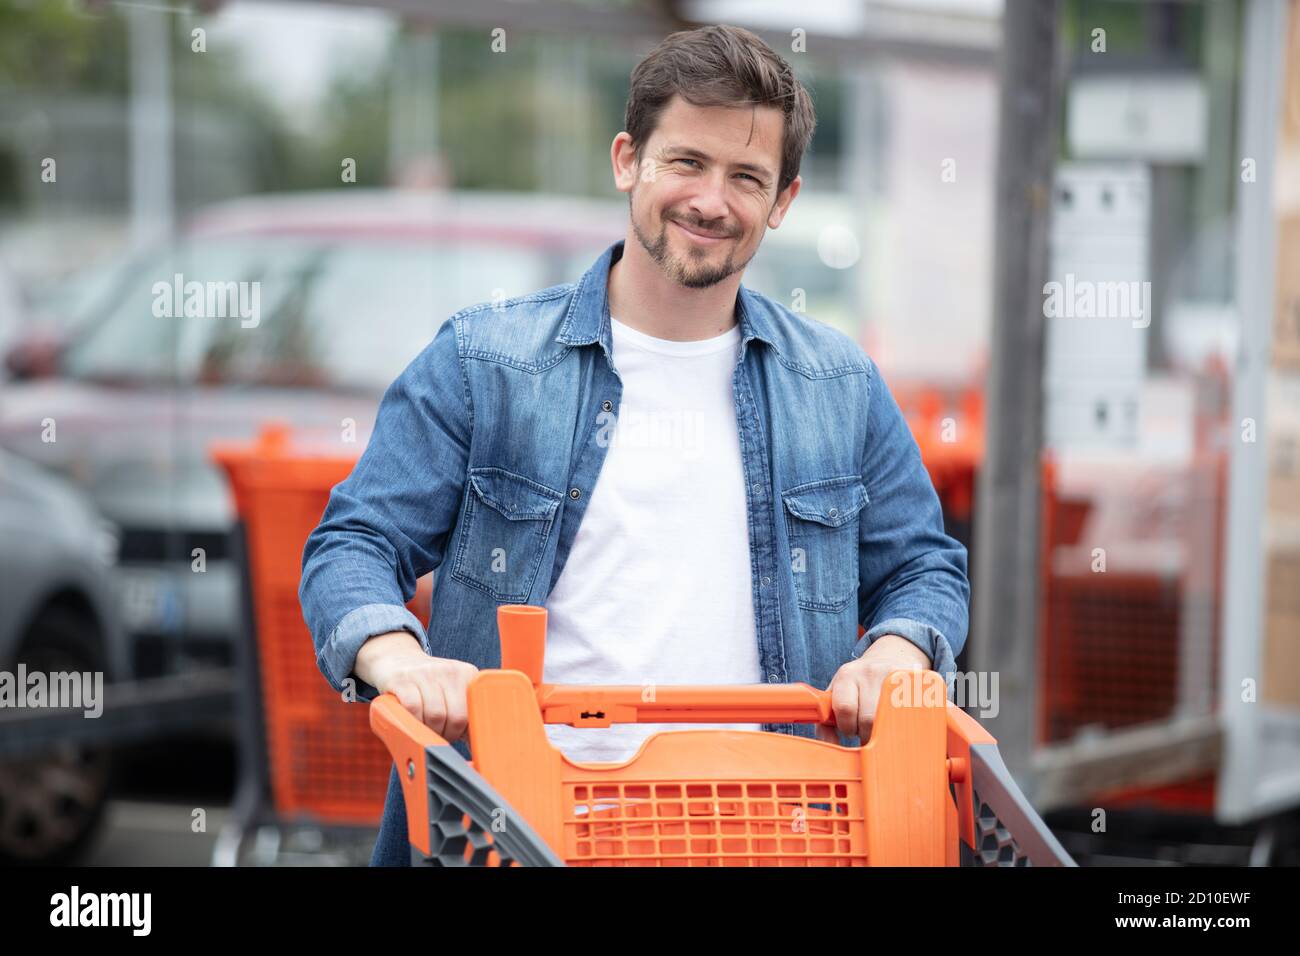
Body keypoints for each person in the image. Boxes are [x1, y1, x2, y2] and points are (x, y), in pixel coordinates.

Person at [299, 23, 970, 867]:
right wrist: (398, 657)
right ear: (628, 161)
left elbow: (923, 565)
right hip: (517, 833)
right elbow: (355, 543)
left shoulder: (838, 385)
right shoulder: (485, 363)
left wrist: (899, 649)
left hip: (767, 837)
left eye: (746, 178)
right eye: (686, 162)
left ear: (784, 201)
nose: (711, 201)